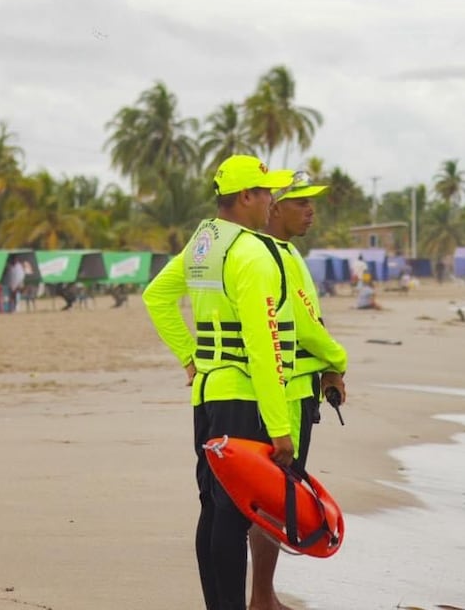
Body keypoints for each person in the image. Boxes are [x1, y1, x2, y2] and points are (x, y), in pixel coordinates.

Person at [143, 155, 296, 610]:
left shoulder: (204, 243)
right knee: (233, 514)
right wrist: (280, 425)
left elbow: (157, 297)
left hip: (207, 396)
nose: (272, 200)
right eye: (266, 191)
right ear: (246, 196)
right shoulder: (251, 253)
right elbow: (264, 348)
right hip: (244, 401)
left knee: (213, 509)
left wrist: (192, 358)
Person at [252, 173, 349, 610]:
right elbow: (308, 327)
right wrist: (338, 361)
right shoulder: (278, 256)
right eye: (301, 203)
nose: (311, 211)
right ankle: (261, 598)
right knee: (273, 495)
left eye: (313, 203)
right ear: (274, 207)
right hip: (287, 392)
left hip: (277, 385)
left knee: (256, 495)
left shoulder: (276, 252)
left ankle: (260, 595)